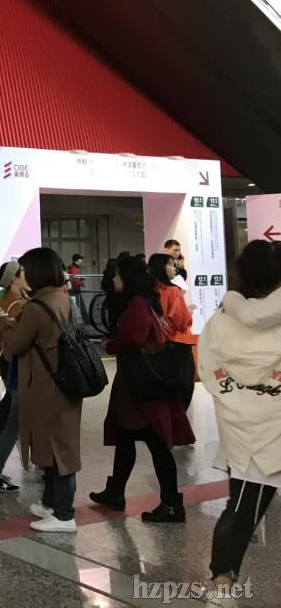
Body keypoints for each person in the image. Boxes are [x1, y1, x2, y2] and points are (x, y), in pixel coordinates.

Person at [201, 240, 281, 591]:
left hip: (239, 424)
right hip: (275, 425)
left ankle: (222, 580)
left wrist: (237, 399)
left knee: (241, 504)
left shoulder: (220, 319)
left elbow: (208, 370)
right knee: (245, 506)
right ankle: (222, 578)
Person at [89, 256, 195, 522]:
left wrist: (110, 345)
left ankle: (171, 503)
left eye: (117, 275)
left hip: (142, 385)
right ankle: (116, 491)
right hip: (137, 382)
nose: (113, 280)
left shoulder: (136, 304)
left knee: (155, 442)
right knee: (126, 438)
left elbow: (133, 339)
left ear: (127, 278)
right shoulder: (144, 300)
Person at [0, 248, 81, 533]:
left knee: (58, 450)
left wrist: (3, 324)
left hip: (46, 386)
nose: (23, 274)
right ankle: (51, 504)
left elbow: (18, 344)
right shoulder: (62, 298)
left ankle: (64, 515)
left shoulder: (36, 307)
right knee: (56, 445)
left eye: (25, 270)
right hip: (63, 383)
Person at [0, 260, 29, 493]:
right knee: (16, 413)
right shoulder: (17, 304)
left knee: (12, 403)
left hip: (0, 358)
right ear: (14, 279)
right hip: (15, 360)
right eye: (24, 273)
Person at [149, 252, 197, 402]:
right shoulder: (173, 291)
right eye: (170, 264)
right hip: (178, 344)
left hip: (155, 345)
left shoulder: (148, 292)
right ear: (161, 267)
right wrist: (188, 312)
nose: (174, 268)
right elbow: (182, 321)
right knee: (183, 388)